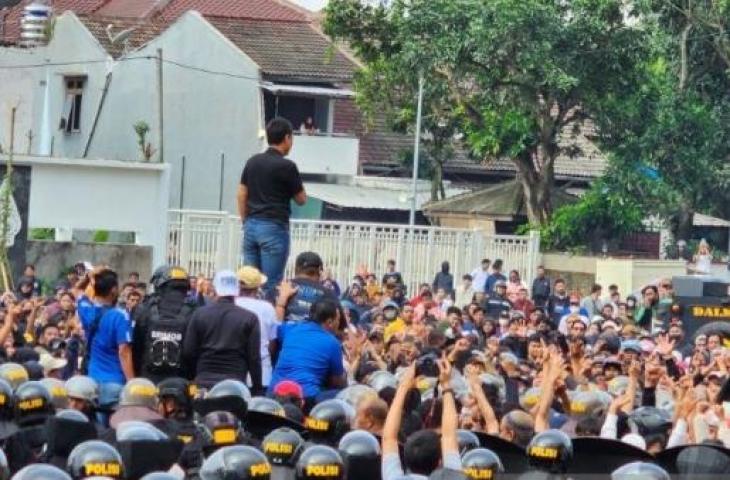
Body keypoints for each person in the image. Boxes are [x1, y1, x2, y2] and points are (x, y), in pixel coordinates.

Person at [238, 117, 307, 296]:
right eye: (291, 138)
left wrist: (245, 221)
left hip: (251, 226)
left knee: (248, 283)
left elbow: (241, 194)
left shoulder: (252, 161)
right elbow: (301, 199)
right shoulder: (287, 167)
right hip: (274, 228)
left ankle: (247, 319)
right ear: (286, 138)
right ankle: (266, 321)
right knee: (270, 284)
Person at [182, 270, 262, 392]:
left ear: (214, 289)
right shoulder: (249, 318)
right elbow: (254, 358)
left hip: (203, 382)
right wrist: (257, 389)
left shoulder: (199, 314)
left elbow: (189, 352)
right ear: (237, 290)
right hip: (235, 385)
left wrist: (194, 377)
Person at [73, 268, 134, 422]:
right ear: (113, 290)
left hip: (92, 381)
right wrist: (132, 383)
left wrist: (89, 276)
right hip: (114, 382)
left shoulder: (86, 310)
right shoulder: (120, 315)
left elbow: (78, 289)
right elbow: (124, 352)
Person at [269, 298, 347, 407]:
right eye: (338, 320)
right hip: (305, 397)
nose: (339, 324)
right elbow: (336, 381)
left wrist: (281, 303)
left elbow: (277, 326)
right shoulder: (332, 342)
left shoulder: (290, 329)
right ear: (329, 322)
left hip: (274, 392)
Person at [132, 266, 197, 383]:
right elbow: (194, 351)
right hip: (181, 380)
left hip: (149, 378)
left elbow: (136, 347)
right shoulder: (195, 311)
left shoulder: (145, 309)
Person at [235, 266, 279, 389]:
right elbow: (272, 344)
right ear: (257, 287)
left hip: (234, 370)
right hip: (262, 371)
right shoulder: (268, 308)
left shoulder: (230, 305)